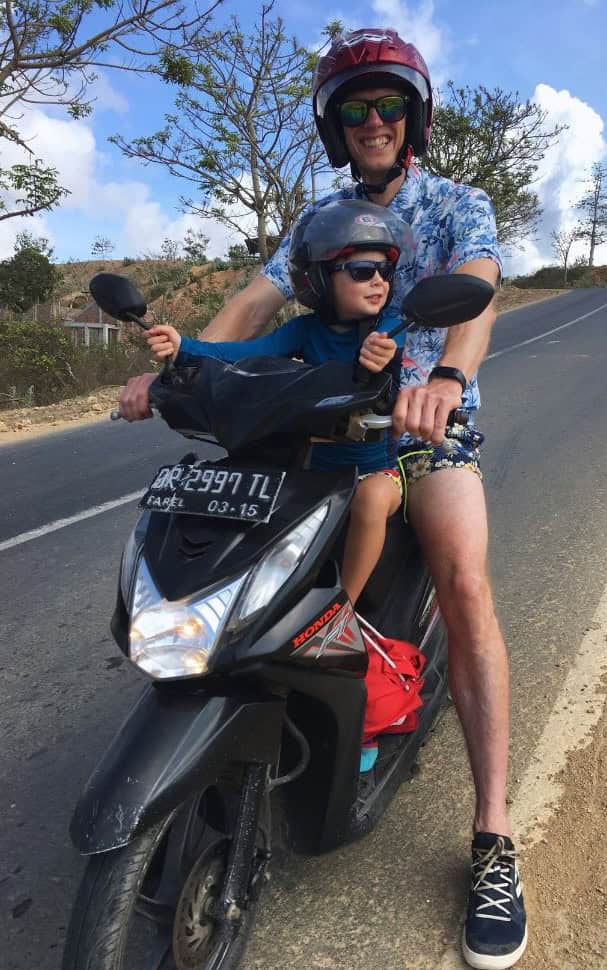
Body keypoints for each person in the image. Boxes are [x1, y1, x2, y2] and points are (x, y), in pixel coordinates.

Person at [119, 27, 527, 970]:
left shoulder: (456, 202)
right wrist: (182, 371)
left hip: (420, 429)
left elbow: (478, 291)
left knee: (465, 586)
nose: (373, 121)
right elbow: (255, 309)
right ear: (335, 126)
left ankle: (494, 839)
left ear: (412, 117)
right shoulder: (319, 217)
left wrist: (447, 384)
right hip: (312, 424)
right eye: (355, 108)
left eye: (388, 105)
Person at [144, 200, 411, 607]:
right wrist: (184, 348)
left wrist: (381, 354)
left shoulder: (387, 329)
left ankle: (343, 610)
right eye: (361, 271)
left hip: (375, 472)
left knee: (371, 500)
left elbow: (387, 350)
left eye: (384, 271)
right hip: (311, 468)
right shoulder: (304, 330)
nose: (378, 281)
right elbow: (243, 354)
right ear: (322, 278)